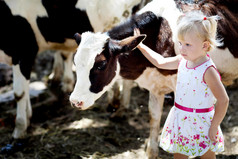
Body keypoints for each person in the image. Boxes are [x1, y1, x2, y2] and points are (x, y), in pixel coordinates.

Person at [134, 10, 229, 159]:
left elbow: (223, 100)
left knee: (207, 156)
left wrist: (214, 126)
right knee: (179, 156)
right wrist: (141, 46)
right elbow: (161, 62)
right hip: (181, 118)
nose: (181, 48)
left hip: (202, 122)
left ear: (205, 46)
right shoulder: (182, 60)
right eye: (180, 43)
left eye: (187, 44)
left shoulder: (207, 70)